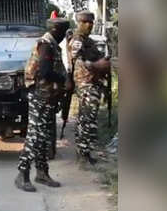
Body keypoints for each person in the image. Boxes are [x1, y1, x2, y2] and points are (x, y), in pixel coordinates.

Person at [15, 18, 70, 192]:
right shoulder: (46, 44)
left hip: (47, 96)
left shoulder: (51, 44)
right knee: (35, 135)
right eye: (63, 32)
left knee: (44, 136)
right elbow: (45, 72)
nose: (64, 36)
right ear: (56, 30)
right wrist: (64, 80)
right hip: (39, 95)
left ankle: (42, 173)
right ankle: (22, 174)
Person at [67, 10, 110, 166]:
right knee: (87, 119)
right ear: (80, 23)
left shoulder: (89, 41)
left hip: (93, 82)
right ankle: (83, 154)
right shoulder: (77, 40)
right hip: (85, 83)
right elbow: (77, 61)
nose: (90, 25)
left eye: (91, 22)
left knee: (87, 119)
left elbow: (97, 56)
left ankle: (84, 151)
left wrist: (104, 62)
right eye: (86, 22)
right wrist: (97, 65)